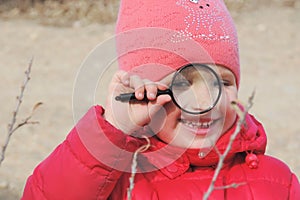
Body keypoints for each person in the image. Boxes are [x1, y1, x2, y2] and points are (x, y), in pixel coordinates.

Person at [22, 0, 300, 199]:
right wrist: (112, 129)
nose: (207, 101)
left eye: (223, 82)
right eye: (182, 83)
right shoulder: (114, 179)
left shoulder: (278, 183)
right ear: (144, 91)